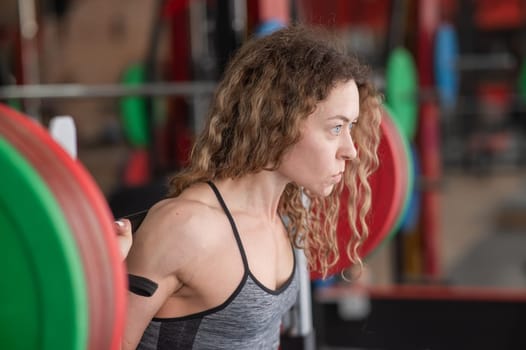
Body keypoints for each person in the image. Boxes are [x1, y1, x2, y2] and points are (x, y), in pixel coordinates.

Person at [115, 24, 381, 350]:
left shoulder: (285, 217)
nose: (351, 150)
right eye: (336, 127)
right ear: (277, 121)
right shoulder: (187, 227)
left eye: (351, 127)